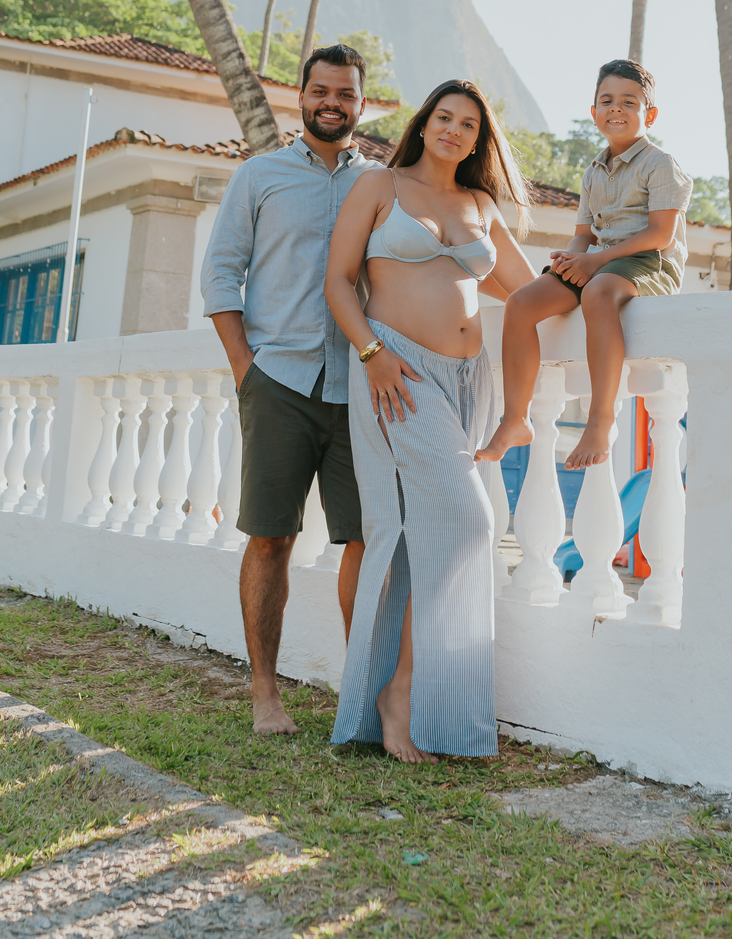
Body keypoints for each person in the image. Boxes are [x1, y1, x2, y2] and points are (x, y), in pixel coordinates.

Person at [325, 79, 535, 764]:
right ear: (423, 125)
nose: (454, 130)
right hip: (400, 373)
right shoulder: (379, 189)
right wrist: (373, 352)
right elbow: (338, 281)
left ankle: (408, 700)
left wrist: (609, 264)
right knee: (471, 521)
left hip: (467, 380)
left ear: (480, 141)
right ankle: (400, 693)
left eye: (469, 125)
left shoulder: (479, 204)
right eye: (444, 117)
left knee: (436, 536)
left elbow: (526, 289)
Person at [201, 42, 376, 736]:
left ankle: (358, 690)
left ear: (362, 105)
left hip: (360, 388)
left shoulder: (381, 186)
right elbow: (221, 274)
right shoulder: (260, 176)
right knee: (270, 537)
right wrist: (247, 366)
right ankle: (266, 691)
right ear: (300, 97)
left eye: (346, 94)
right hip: (279, 380)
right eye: (321, 91)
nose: (332, 103)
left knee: (364, 538)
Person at [477, 58, 692, 472]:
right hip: (600, 260)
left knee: (597, 292)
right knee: (521, 302)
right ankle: (515, 419)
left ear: (650, 114)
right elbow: (583, 233)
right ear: (593, 112)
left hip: (647, 263)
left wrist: (595, 263)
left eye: (629, 102)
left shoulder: (661, 164)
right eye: (606, 101)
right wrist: (573, 256)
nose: (616, 108)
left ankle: (600, 419)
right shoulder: (594, 170)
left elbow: (660, 234)